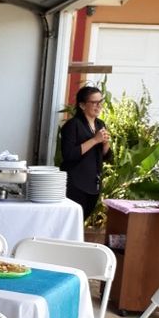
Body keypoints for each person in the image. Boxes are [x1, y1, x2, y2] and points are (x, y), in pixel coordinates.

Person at [59, 85, 111, 220]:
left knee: (82, 220)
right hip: (75, 183)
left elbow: (105, 156)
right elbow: (69, 155)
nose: (98, 106)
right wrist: (94, 140)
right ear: (82, 105)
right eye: (94, 102)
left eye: (100, 102)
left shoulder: (100, 124)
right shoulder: (72, 125)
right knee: (71, 220)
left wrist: (105, 144)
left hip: (93, 183)